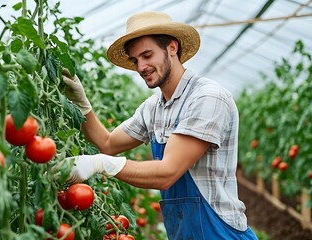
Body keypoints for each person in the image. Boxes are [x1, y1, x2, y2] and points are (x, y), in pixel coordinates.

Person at [62, 11, 258, 240]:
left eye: (147, 55)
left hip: (220, 232)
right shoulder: (153, 107)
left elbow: (168, 173)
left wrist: (101, 164)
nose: (141, 66)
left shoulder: (207, 97)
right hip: (181, 233)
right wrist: (82, 106)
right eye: (136, 60)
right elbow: (107, 143)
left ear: (172, 48)